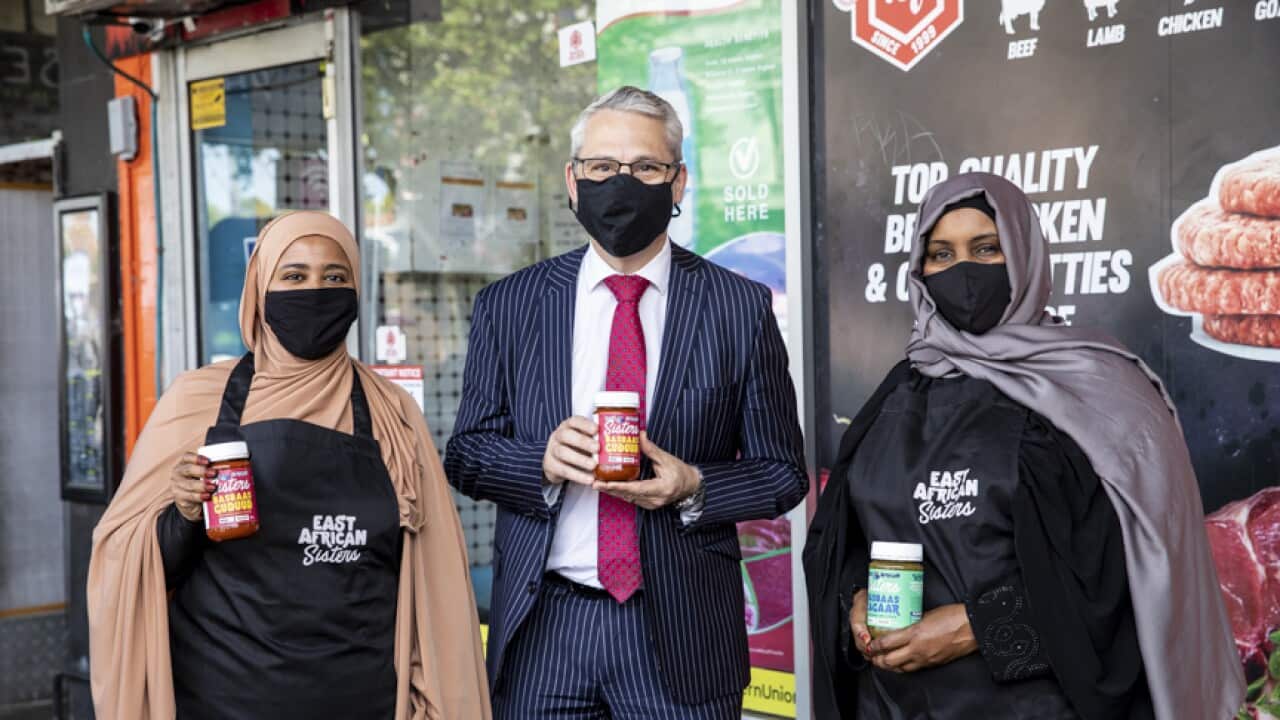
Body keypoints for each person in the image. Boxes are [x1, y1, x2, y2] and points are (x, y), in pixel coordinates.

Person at [803, 173, 1244, 719]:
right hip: (893, 705)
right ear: (919, 270)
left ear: (1023, 254)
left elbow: (1118, 577)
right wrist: (855, 598)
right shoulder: (897, 392)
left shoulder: (1094, 388)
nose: (963, 271)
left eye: (986, 248)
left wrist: (977, 627)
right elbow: (846, 537)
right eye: (942, 254)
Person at [445, 86, 808, 719]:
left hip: (682, 633)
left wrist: (694, 485)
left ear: (678, 182)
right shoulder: (511, 304)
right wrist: (541, 461)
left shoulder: (738, 307)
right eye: (602, 166)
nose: (621, 183)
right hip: (545, 627)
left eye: (645, 167)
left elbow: (783, 473)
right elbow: (467, 453)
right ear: (572, 180)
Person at [87, 211, 490, 720]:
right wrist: (185, 513)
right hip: (223, 701)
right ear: (260, 290)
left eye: (335, 277)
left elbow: (431, 575)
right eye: (294, 276)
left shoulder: (391, 411)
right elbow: (129, 563)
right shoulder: (200, 398)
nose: (316, 291)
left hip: (364, 701)